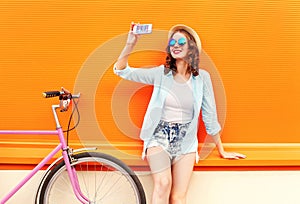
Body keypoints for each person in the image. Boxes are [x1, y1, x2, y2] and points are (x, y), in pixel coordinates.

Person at [114, 24, 246, 204]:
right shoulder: (161, 73)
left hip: (186, 141)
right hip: (159, 136)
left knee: (178, 196)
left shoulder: (202, 79)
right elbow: (122, 70)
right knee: (163, 184)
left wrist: (221, 150)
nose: (175, 45)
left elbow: (209, 115)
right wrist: (130, 43)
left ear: (191, 47)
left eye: (181, 41)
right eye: (172, 41)